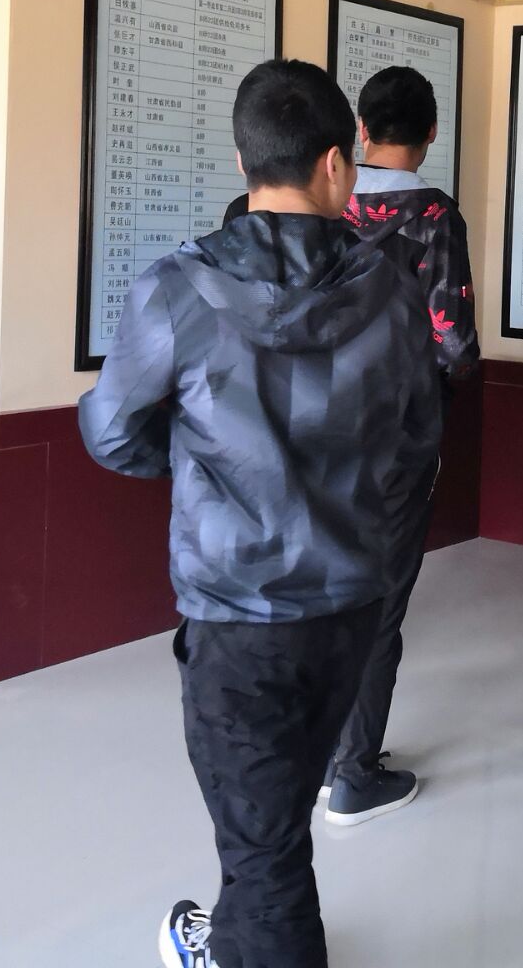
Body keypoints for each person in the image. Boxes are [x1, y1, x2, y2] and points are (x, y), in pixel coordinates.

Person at [79, 59, 440, 968]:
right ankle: (233, 940)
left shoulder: (176, 289)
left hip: (238, 613)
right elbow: (416, 439)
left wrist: (208, 468)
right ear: (335, 163)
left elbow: (111, 432)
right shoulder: (395, 290)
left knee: (265, 844)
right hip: (352, 604)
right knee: (272, 819)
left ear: (245, 161)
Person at [318, 64, 478, 828]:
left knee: (326, 587)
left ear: (361, 128)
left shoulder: (328, 203)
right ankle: (354, 771)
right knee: (381, 601)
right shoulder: (434, 216)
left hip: (319, 428)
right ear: (432, 132)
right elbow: (456, 342)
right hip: (400, 436)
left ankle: (321, 754)